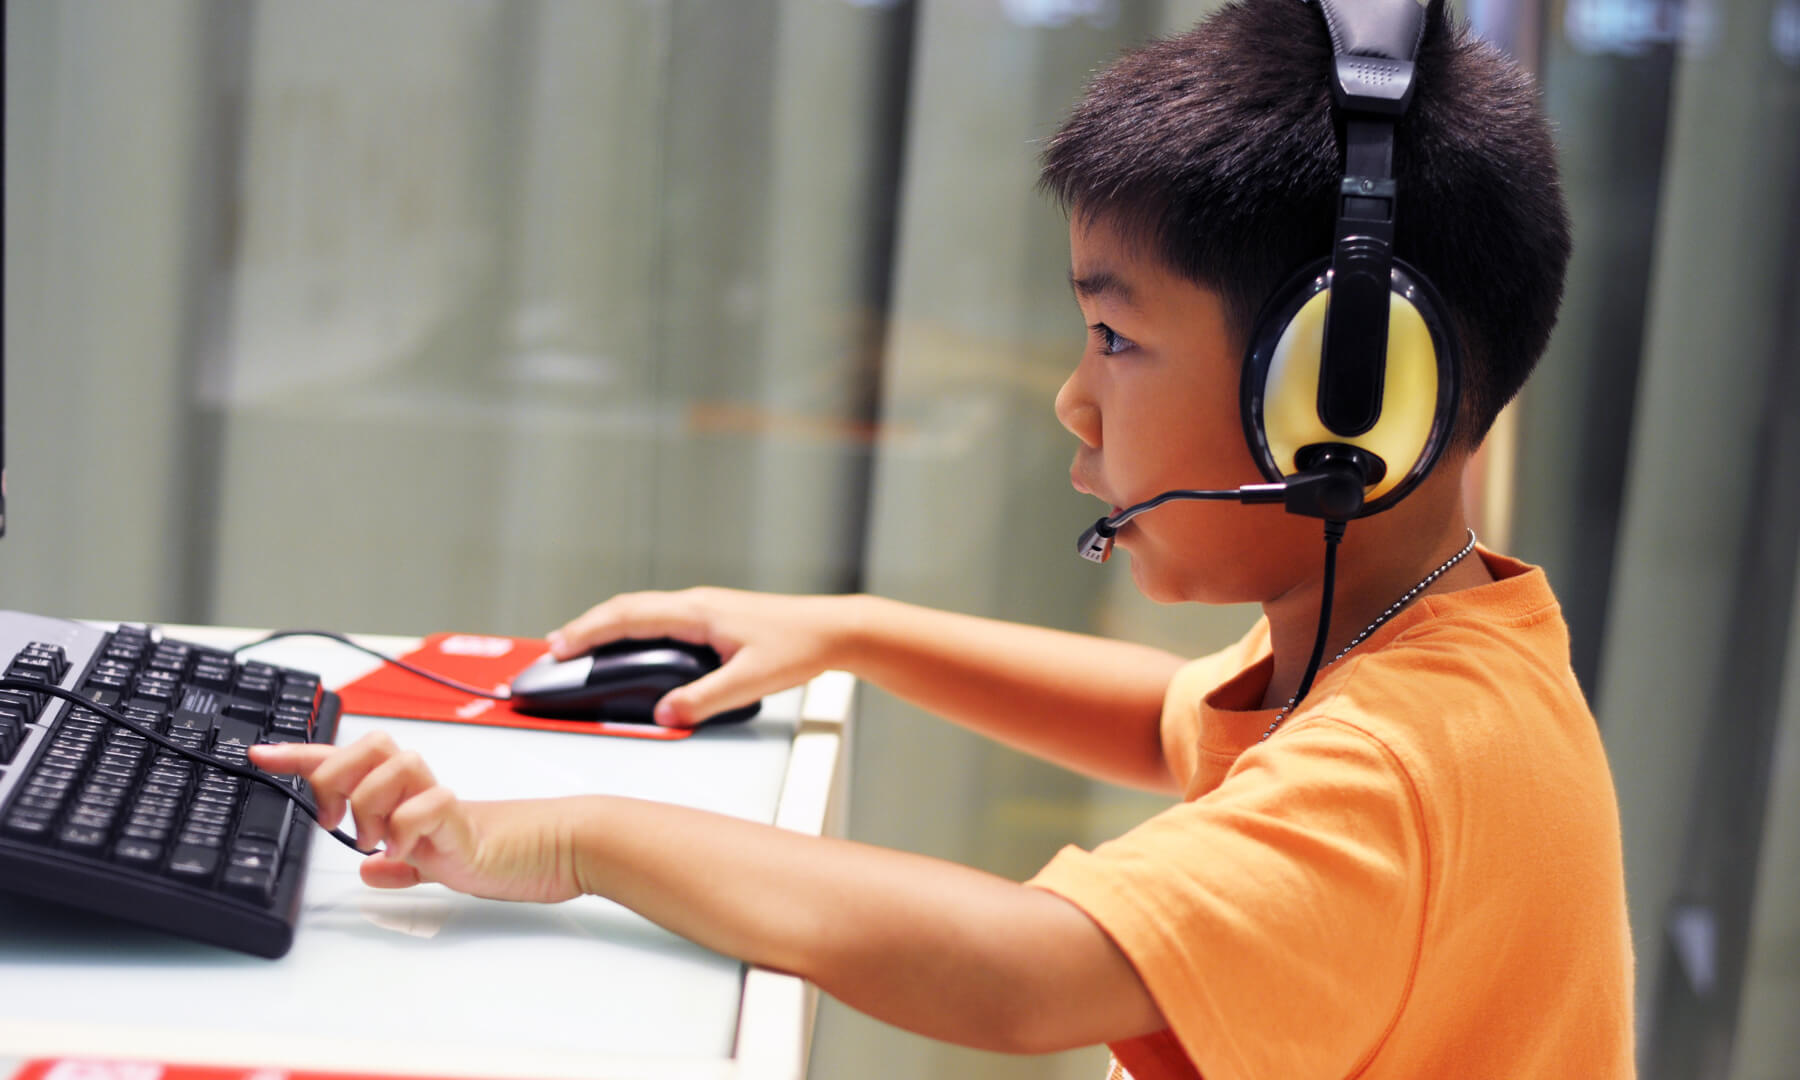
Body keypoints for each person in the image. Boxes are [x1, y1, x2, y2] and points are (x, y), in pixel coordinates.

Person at [251, 2, 1634, 1076]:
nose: (1071, 397)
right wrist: (848, 628)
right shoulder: (1440, 642)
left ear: (1340, 405)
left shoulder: (1397, 767)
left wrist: (575, 837)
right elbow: (1172, 718)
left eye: (1116, 336)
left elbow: (1025, 970)